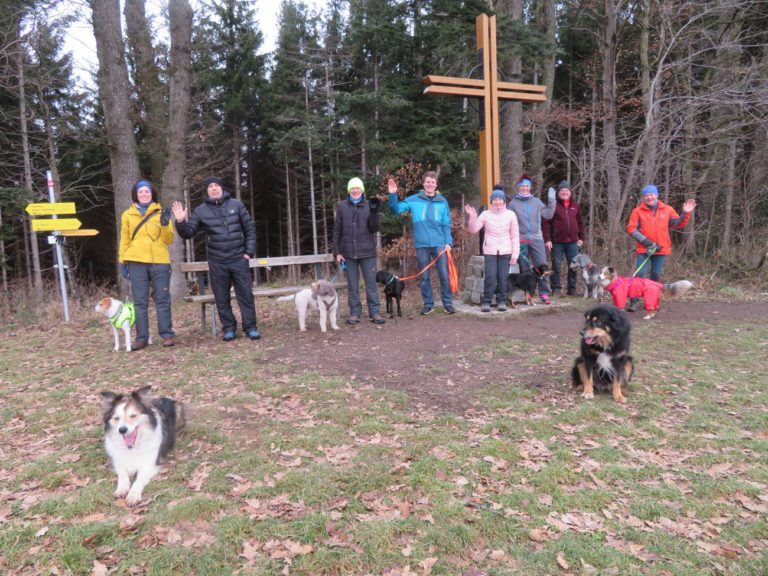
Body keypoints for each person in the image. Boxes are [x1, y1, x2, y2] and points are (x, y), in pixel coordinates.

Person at [172, 176, 261, 341]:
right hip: (217, 261)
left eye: (216, 185)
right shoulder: (201, 210)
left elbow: (250, 229)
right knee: (221, 297)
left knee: (246, 295)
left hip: (238, 259)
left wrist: (248, 253)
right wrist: (180, 221)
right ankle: (229, 328)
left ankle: (251, 327)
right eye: (210, 186)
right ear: (207, 191)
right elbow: (188, 233)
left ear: (222, 188)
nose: (213, 188)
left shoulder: (237, 205)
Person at [118, 179, 175, 350]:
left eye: (147, 191)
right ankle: (142, 337)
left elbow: (169, 239)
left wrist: (165, 224)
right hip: (136, 262)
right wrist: (123, 261)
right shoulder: (127, 215)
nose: (144, 194)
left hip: (160, 261)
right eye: (140, 191)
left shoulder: (160, 212)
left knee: (162, 299)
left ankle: (167, 335)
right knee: (140, 301)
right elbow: (125, 240)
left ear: (152, 194)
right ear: (135, 194)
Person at [388, 171, 455, 315]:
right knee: (424, 277)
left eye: (432, 182)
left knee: (444, 275)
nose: (430, 184)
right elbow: (395, 209)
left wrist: (448, 242)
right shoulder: (414, 199)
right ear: (423, 183)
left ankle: (448, 303)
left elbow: (446, 224)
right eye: (427, 182)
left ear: (436, 184)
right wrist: (393, 195)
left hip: (440, 244)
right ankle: (428, 304)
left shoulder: (442, 201)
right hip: (422, 245)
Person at [625, 184, 696, 312]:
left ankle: (652, 302)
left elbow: (677, 224)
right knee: (639, 275)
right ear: (644, 197)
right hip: (644, 249)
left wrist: (685, 213)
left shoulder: (667, 209)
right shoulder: (637, 211)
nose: (649, 197)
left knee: (655, 276)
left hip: (661, 250)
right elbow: (631, 229)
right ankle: (633, 302)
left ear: (656, 195)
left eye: (651, 195)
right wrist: (647, 242)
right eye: (646, 195)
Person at [332, 177, 385, 325]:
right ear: (349, 191)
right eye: (353, 188)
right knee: (353, 285)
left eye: (358, 188)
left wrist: (374, 213)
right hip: (348, 253)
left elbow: (374, 229)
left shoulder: (369, 205)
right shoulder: (342, 206)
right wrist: (337, 252)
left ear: (362, 190)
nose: (355, 191)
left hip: (367, 253)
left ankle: (375, 312)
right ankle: (355, 313)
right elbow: (337, 231)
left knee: (371, 285)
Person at [464, 185, 520, 312]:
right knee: (490, 277)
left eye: (500, 199)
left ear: (504, 201)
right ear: (491, 202)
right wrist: (472, 217)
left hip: (506, 251)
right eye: (495, 200)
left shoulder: (511, 215)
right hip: (490, 251)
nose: (497, 202)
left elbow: (515, 236)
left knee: (502, 277)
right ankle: (486, 302)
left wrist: (515, 254)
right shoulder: (485, 214)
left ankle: (501, 301)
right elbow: (473, 230)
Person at [507, 174, 556, 304]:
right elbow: (509, 221)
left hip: (536, 239)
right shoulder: (512, 204)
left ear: (530, 187)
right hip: (521, 240)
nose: (524, 188)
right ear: (519, 187)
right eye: (522, 186)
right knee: (525, 271)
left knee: (542, 267)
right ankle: (527, 296)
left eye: (527, 186)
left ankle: (544, 293)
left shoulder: (537, 202)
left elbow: (548, 215)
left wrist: (552, 202)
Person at [543, 180, 585, 296]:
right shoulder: (553, 205)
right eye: (562, 191)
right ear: (558, 193)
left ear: (570, 192)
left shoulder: (575, 206)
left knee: (573, 266)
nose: (564, 192)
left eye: (566, 190)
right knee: (556, 265)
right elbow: (546, 223)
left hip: (573, 242)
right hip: (556, 242)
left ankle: (571, 289)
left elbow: (580, 222)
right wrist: (547, 239)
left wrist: (582, 238)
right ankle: (556, 288)